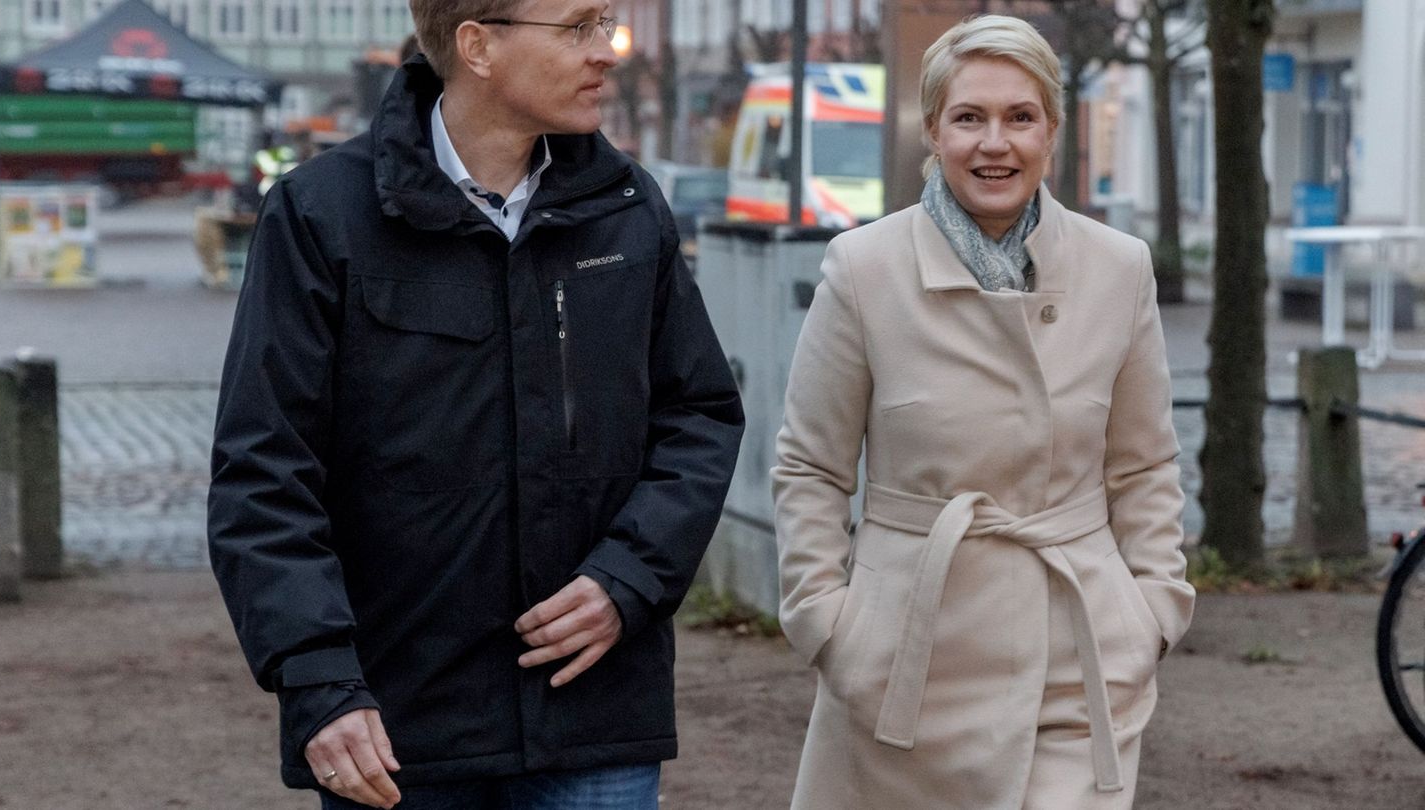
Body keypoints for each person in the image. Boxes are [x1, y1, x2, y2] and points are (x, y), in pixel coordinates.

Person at [206, 0, 745, 807]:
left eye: (607, 23)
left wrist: (627, 579)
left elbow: (700, 415)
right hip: (396, 729)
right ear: (478, 45)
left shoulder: (628, 208)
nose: (607, 51)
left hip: (595, 716)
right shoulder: (322, 216)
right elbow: (263, 471)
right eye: (578, 27)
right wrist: (319, 682)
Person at [772, 14, 1194, 810]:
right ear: (932, 130)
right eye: (969, 118)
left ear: (1053, 132)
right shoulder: (864, 270)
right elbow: (810, 467)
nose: (993, 143)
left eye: (1019, 117)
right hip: (903, 663)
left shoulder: (1118, 268)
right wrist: (830, 628)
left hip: (1080, 654)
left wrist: (1152, 613)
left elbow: (1143, 463)